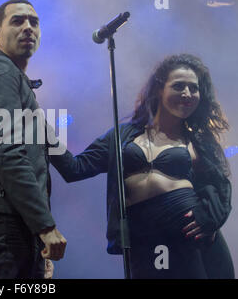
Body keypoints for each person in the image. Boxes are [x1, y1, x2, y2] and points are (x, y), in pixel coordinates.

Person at [50, 54, 234, 278]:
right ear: (159, 89)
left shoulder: (198, 140)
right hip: (144, 238)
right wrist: (42, 130)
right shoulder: (121, 136)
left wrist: (210, 220)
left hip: (190, 238)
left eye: (193, 88)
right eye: (179, 86)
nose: (187, 93)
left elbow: (221, 187)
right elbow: (75, 168)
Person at [0, 0, 67, 279]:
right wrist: (45, 227)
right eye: (17, 21)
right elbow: (6, 152)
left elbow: (73, 165)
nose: (28, 27)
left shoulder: (17, 81)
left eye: (34, 22)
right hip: (4, 223)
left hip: (17, 225)